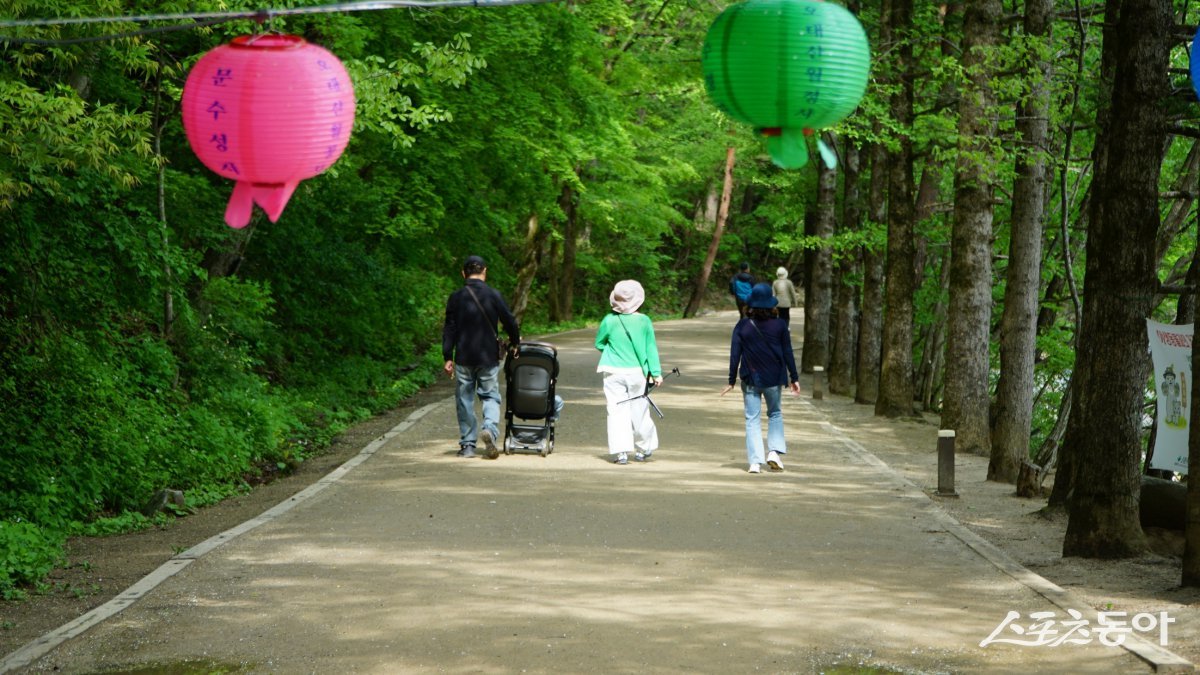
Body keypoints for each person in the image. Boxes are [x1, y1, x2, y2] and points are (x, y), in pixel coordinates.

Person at [442, 255, 521, 459]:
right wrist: (515, 342)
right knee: (490, 396)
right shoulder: (493, 295)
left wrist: (447, 355)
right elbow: (509, 321)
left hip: (463, 356)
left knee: (464, 399)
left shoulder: (456, 297)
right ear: (484, 271)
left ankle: (468, 445)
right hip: (488, 356)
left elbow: (449, 328)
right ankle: (490, 432)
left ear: (463, 273)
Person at [721, 283, 800, 473]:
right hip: (774, 378)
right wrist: (794, 377)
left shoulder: (742, 326)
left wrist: (731, 380)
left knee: (752, 419)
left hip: (750, 378)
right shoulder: (780, 325)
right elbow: (787, 352)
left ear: (751, 305)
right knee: (775, 414)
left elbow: (735, 354)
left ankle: (755, 462)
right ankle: (774, 452)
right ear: (771, 304)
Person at [595, 280, 664, 465]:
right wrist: (656, 373)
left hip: (612, 371)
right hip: (637, 373)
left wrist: (612, 353)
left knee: (616, 411)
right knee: (640, 409)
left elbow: (599, 343)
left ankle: (621, 452)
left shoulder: (609, 320)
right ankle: (644, 448)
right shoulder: (644, 321)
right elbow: (651, 348)